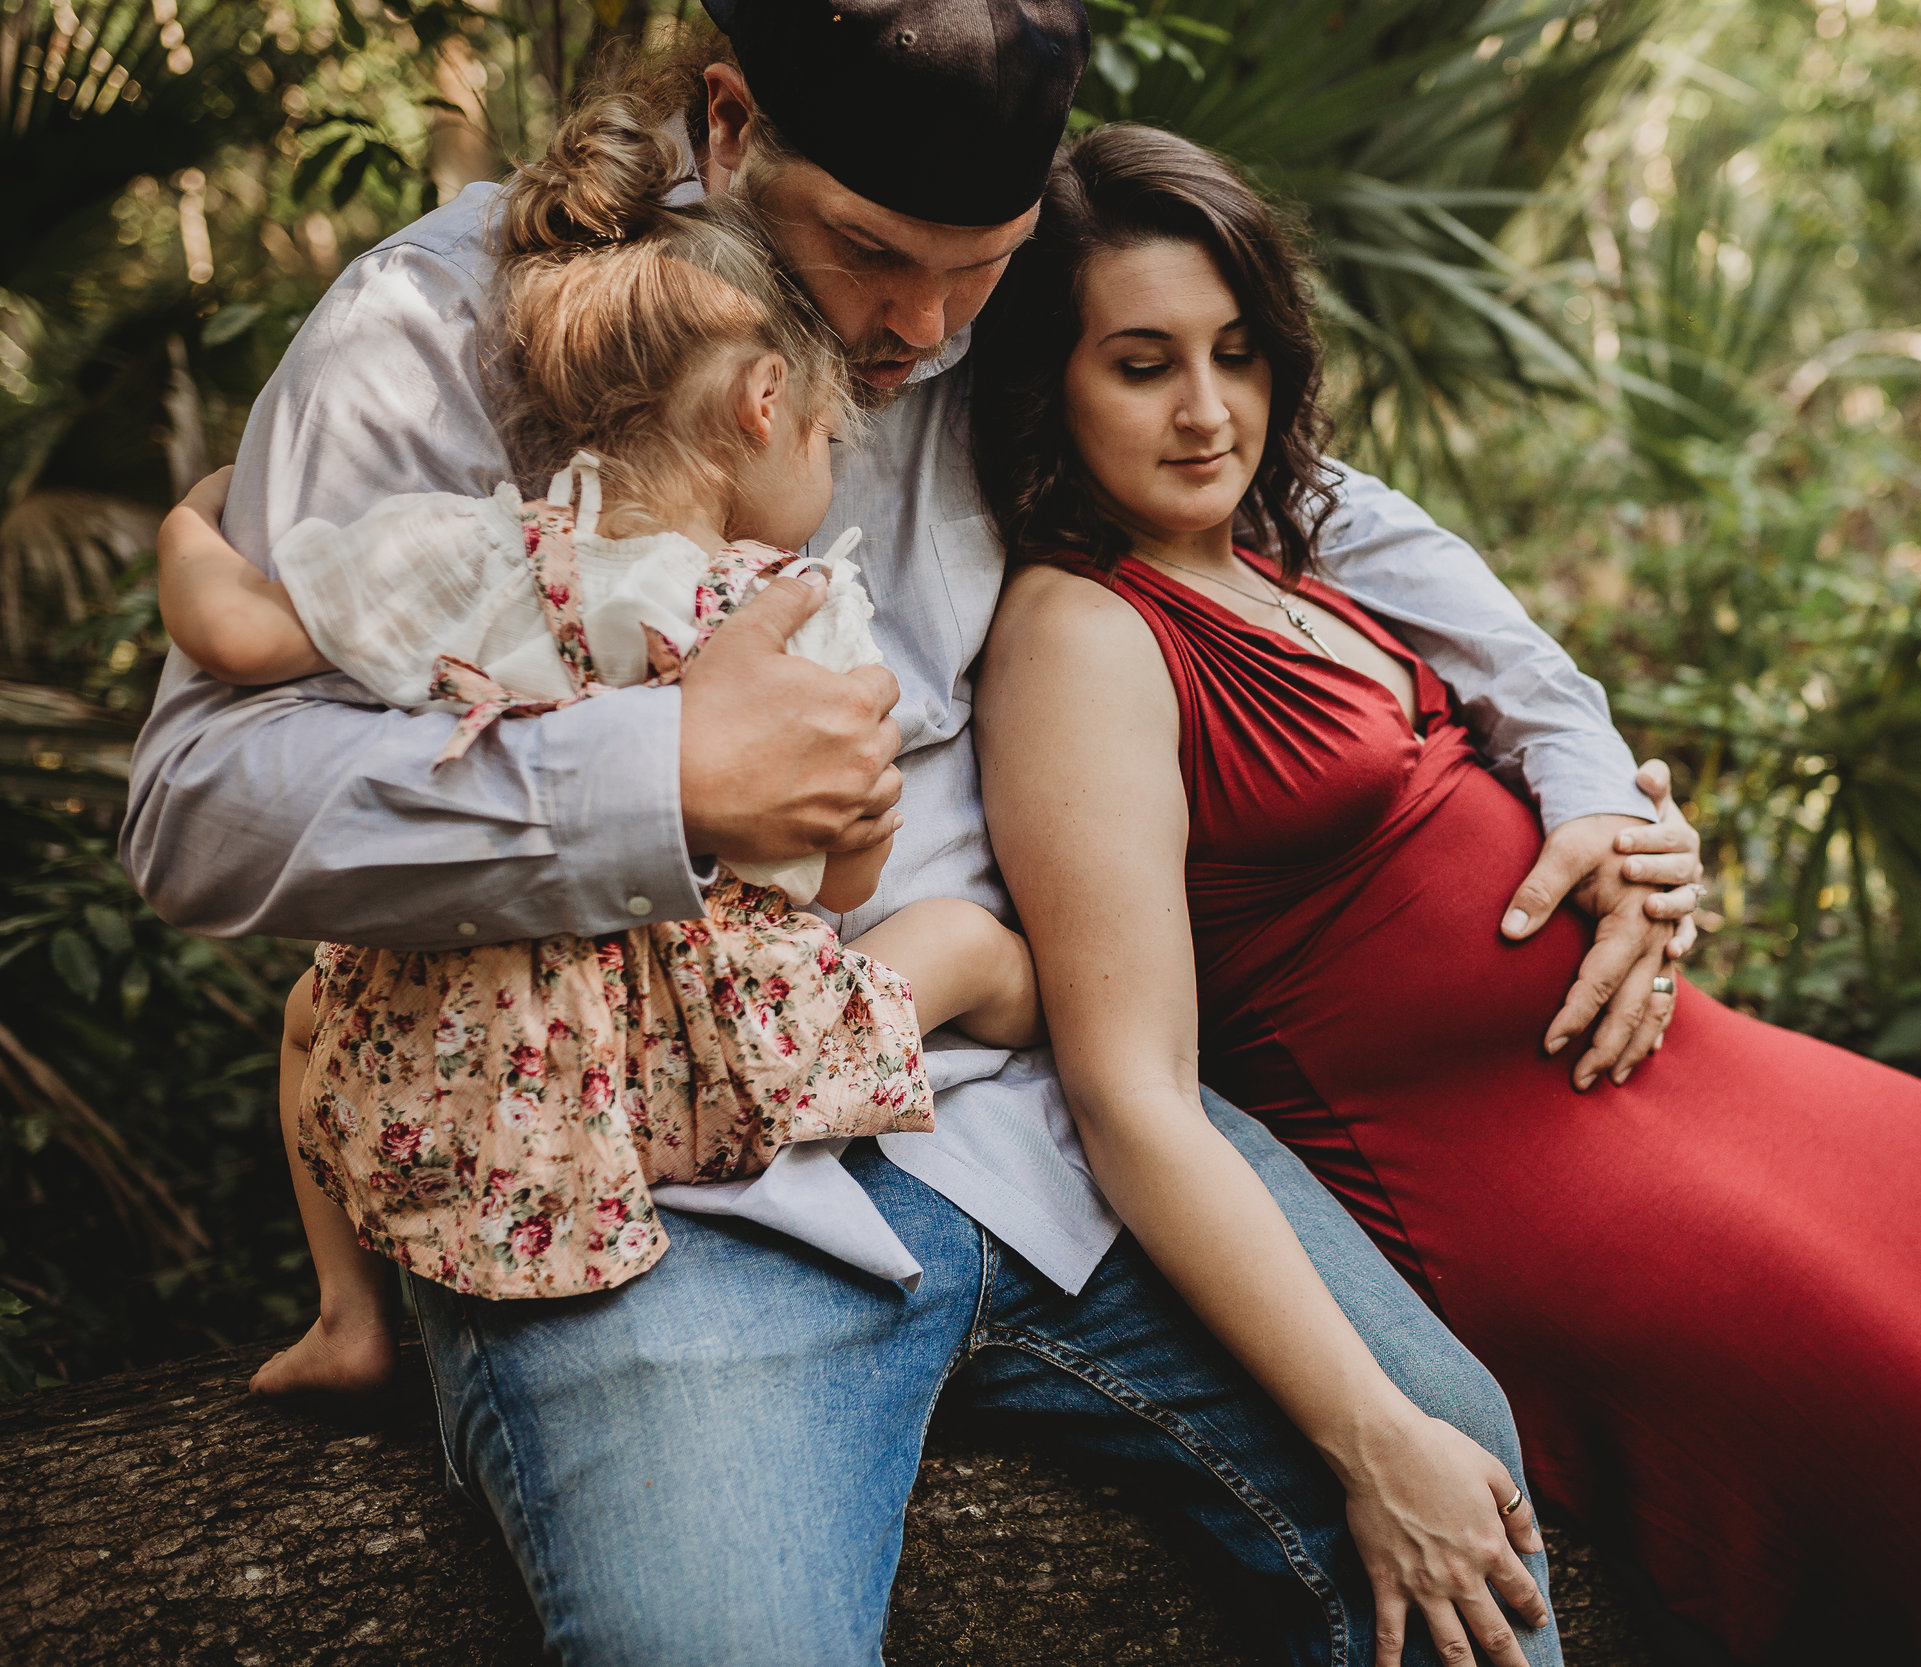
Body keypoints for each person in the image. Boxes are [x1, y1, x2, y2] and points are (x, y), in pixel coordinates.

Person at [121, 3, 1703, 1661]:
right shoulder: (437, 325)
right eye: (872, 255)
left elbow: (1299, 493)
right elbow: (198, 807)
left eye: (983, 267)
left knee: (1462, 1495)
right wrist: (658, 782)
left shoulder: (976, 307)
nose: (922, 329)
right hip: (644, 1203)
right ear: (728, 124)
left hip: (1038, 1124)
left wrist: (1579, 759)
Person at [970, 124, 1921, 1666]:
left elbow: (1540, 705)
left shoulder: (1287, 540)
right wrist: (1362, 1427)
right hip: (1484, 1168)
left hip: (1670, 1076)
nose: (1208, 409)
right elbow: (1132, 1091)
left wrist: (1626, 842)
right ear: (1050, 384)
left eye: (1235, 352)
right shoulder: (1078, 634)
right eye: (1143, 365)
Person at [149, 99, 1060, 1397]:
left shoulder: (484, 557)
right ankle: (1049, 1032)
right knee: (970, 951)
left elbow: (235, 632)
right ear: (761, 405)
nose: (921, 337)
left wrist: (196, 520)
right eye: (827, 437)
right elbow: (838, 877)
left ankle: (349, 1320)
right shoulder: (789, 607)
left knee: (317, 1015)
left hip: (534, 1077)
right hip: (718, 1070)